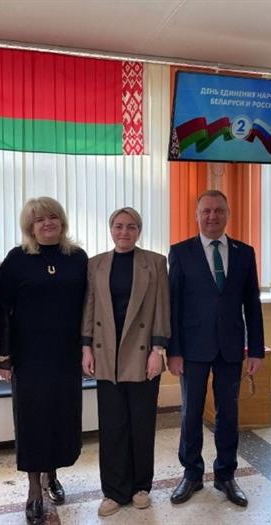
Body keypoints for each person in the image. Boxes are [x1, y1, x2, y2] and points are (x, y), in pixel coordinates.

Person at [168, 189, 265, 507]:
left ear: (228, 214)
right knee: (191, 413)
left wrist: (256, 349)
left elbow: (252, 304)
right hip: (192, 348)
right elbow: (173, 305)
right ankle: (191, 474)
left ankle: (226, 474)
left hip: (231, 347)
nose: (212, 216)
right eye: (206, 211)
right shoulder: (180, 252)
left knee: (229, 413)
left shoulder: (244, 253)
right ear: (196, 215)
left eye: (219, 210)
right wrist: (173, 351)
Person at [0, 196, 87, 525]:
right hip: (28, 356)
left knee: (61, 416)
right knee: (32, 419)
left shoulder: (77, 258)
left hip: (66, 354)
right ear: (30, 227)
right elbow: (1, 309)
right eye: (39, 220)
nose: (47, 223)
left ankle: (52, 475)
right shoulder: (17, 259)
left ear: (62, 222)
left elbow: (89, 306)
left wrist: (89, 347)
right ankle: (34, 487)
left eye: (53, 217)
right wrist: (3, 354)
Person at [81, 207, 170, 517]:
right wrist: (86, 347)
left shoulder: (155, 262)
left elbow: (162, 308)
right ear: (111, 229)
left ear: (139, 231)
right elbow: (89, 307)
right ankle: (113, 491)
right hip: (106, 353)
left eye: (131, 226)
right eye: (118, 226)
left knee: (142, 423)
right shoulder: (96, 264)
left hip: (143, 354)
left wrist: (158, 350)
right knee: (112, 425)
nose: (124, 232)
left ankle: (141, 487)